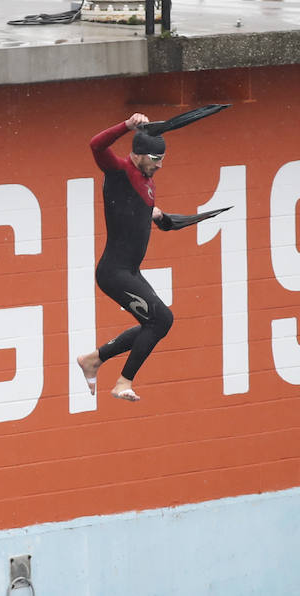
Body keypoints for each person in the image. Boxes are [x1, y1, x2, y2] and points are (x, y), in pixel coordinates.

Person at [76, 113, 177, 403]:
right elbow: (96, 145)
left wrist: (156, 216)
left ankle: (93, 359)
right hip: (114, 272)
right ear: (138, 154)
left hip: (130, 270)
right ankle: (122, 382)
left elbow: (135, 210)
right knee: (160, 321)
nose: (160, 164)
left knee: (158, 322)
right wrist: (126, 126)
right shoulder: (119, 171)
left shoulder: (147, 180)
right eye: (155, 158)